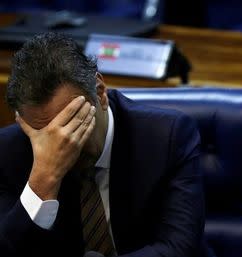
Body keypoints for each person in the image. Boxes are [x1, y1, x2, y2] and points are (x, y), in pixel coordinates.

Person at [0, 32, 206, 257]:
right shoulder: (11, 150)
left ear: (100, 93)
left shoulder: (167, 137)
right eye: (42, 133)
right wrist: (43, 178)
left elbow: (179, 248)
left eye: (71, 123)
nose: (60, 143)